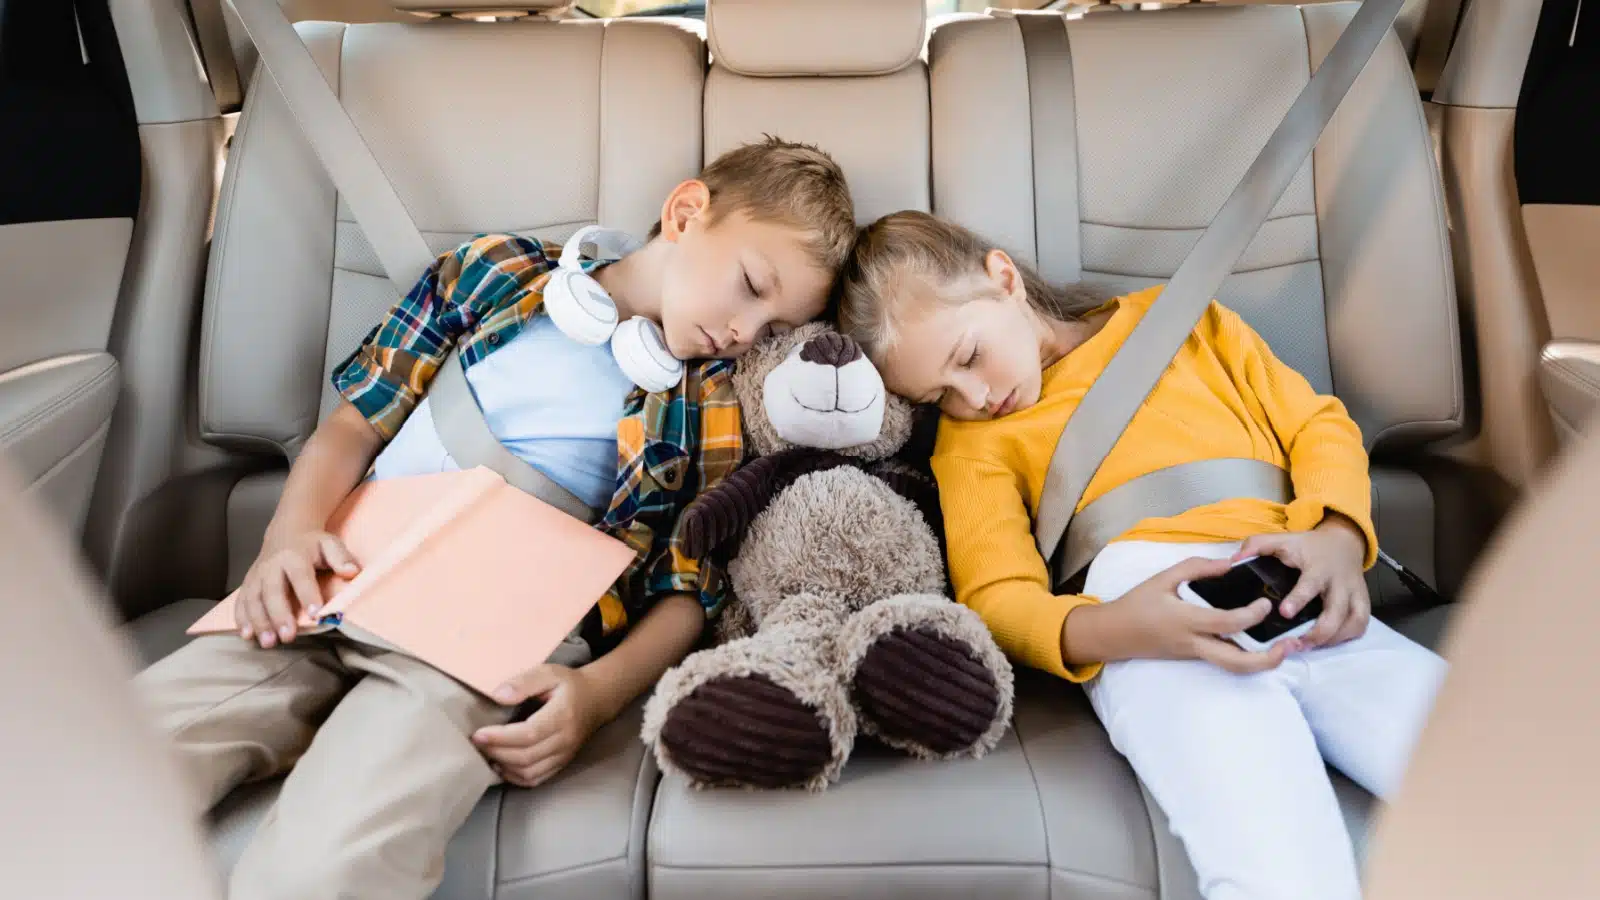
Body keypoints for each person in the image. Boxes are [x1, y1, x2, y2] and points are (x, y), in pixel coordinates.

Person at [136, 137, 855, 900]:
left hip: (480, 649)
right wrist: (285, 539)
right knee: (110, 752)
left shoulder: (709, 411)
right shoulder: (493, 271)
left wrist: (599, 695)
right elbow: (355, 424)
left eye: (775, 328)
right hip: (337, 581)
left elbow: (689, 587)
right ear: (684, 214)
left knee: (331, 859)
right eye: (750, 285)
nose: (748, 331)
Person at [837, 210, 1446, 900]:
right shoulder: (974, 443)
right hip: (1145, 624)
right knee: (1280, 868)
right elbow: (996, 596)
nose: (974, 397)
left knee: (1518, 785)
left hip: (1300, 586)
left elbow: (1317, 424)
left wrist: (1337, 534)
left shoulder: (1185, 322)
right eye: (939, 396)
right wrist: (1119, 630)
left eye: (969, 357)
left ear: (1002, 279)